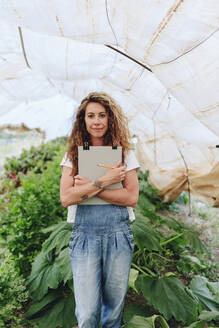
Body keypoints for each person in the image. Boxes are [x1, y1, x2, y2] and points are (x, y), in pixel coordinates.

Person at [60, 92, 139, 328]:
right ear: (83, 120)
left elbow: (131, 197)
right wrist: (106, 180)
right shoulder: (73, 155)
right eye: (90, 115)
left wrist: (88, 188)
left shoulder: (125, 152)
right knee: (86, 314)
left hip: (118, 236)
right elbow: (66, 198)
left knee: (113, 311)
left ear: (110, 118)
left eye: (102, 115)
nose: (96, 121)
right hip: (85, 236)